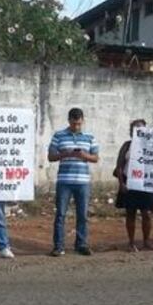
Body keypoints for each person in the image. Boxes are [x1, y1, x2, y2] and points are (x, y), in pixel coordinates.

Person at [48, 108, 99, 256]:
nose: (76, 126)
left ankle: (81, 244)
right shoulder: (59, 136)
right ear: (69, 120)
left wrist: (84, 155)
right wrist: (67, 154)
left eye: (79, 123)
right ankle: (58, 246)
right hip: (64, 181)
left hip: (83, 182)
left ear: (83, 121)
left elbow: (96, 158)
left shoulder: (90, 137)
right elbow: (51, 156)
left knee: (82, 215)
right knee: (61, 214)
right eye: (73, 123)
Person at [114, 119, 153, 252]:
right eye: (135, 129)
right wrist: (121, 183)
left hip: (146, 184)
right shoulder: (127, 146)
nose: (138, 131)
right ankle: (131, 243)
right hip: (130, 184)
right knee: (130, 213)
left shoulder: (152, 146)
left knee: (147, 214)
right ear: (131, 132)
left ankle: (146, 242)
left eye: (141, 129)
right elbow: (119, 166)